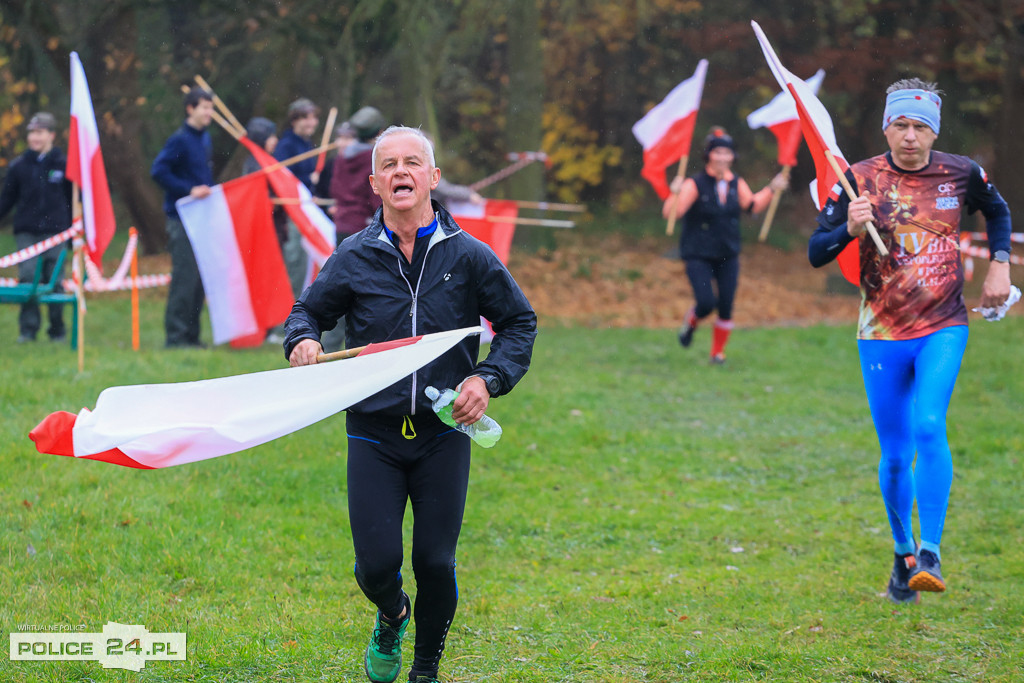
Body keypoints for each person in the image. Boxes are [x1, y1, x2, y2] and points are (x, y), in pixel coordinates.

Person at [284, 126, 536, 683]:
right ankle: (392, 612)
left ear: (432, 178)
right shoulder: (354, 256)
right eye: (390, 165)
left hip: (444, 433)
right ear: (374, 183)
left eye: (413, 163)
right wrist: (303, 340)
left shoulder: (469, 256)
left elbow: (519, 322)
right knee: (376, 566)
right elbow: (307, 312)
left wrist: (487, 379)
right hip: (372, 432)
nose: (402, 172)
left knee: (435, 563)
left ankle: (424, 669)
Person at [808, 78, 1014, 604]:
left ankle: (931, 552)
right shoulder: (858, 178)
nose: (910, 136)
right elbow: (815, 250)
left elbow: (997, 211)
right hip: (880, 333)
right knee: (896, 455)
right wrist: (847, 233)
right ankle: (902, 555)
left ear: (934, 131)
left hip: (944, 323)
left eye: (921, 126)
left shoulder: (961, 172)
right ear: (886, 127)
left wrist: (998, 267)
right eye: (901, 124)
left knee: (928, 424)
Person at [664, 127, 788, 363]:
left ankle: (717, 354)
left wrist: (772, 189)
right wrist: (674, 193)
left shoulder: (736, 183)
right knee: (706, 302)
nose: (722, 157)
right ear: (709, 155)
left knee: (726, 305)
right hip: (697, 253)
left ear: (732, 157)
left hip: (727, 253)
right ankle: (691, 322)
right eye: (717, 152)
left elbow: (751, 205)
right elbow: (673, 213)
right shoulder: (694, 184)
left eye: (726, 153)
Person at [150, 88, 214, 348]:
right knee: (185, 278)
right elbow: (158, 171)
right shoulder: (179, 140)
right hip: (181, 219)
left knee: (198, 280)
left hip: (201, 220)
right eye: (205, 107)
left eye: (211, 108)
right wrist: (188, 190)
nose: (209, 113)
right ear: (190, 109)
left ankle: (192, 336)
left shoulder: (205, 139)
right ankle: (175, 338)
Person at [0, 112, 72, 343]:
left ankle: (57, 330)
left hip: (57, 232)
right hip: (27, 232)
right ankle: (28, 330)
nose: (34, 138)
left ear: (51, 135)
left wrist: (75, 231)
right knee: (28, 277)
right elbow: (6, 199)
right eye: (31, 133)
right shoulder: (19, 166)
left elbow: (73, 200)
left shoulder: (65, 165)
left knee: (55, 279)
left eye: (39, 132)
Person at [275, 98, 322, 302]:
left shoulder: (307, 144)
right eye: (305, 118)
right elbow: (283, 180)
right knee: (293, 263)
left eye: (313, 118)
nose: (310, 123)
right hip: (292, 215)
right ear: (294, 121)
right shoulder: (286, 146)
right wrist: (306, 180)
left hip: (307, 212)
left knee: (304, 264)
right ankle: (282, 321)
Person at [330, 106, 386, 240]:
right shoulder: (373, 159)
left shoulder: (341, 158)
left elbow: (334, 189)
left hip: (341, 225)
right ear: (379, 132)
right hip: (365, 228)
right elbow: (376, 197)